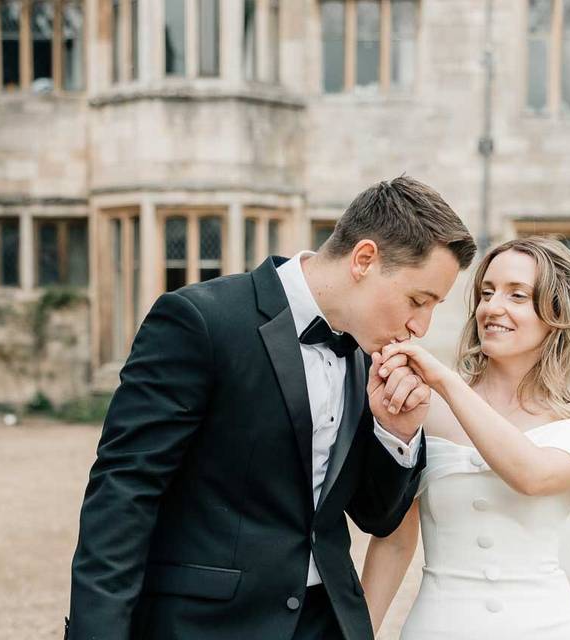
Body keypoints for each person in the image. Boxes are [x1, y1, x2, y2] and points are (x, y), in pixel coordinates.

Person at [66, 176, 477, 640]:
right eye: (417, 300)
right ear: (364, 259)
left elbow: (376, 517)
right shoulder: (200, 320)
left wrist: (395, 433)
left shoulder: (368, 354)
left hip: (327, 624)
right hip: (208, 626)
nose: (420, 325)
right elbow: (124, 492)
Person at [363, 236, 570, 639]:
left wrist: (445, 379)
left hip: (548, 627)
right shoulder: (426, 412)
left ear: (556, 311)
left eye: (517, 295)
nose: (493, 307)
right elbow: (392, 542)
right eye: (486, 292)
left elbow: (532, 475)